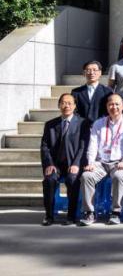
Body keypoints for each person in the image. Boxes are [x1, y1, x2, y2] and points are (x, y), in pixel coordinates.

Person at [78, 94, 123, 226]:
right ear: (107, 106)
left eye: (117, 104)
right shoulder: (98, 123)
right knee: (86, 176)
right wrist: (90, 163)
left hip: (120, 162)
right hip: (101, 162)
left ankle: (116, 212)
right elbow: (92, 146)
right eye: (111, 104)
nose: (114, 107)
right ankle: (89, 212)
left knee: (119, 176)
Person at [40, 93, 89, 226]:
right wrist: (49, 164)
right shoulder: (50, 124)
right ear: (59, 105)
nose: (66, 106)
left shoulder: (83, 123)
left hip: (73, 163)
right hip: (56, 165)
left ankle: (71, 216)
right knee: (49, 180)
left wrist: (77, 164)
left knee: (72, 180)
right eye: (63, 103)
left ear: (74, 106)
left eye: (69, 103)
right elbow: (45, 147)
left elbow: (83, 147)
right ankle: (49, 216)